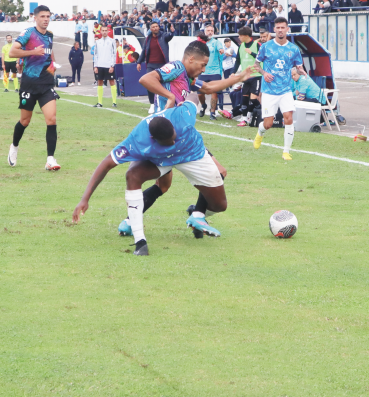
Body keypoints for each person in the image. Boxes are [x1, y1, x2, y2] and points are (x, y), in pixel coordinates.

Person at [71, 52, 257, 256]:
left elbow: (206, 88)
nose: (204, 69)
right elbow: (145, 78)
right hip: (160, 139)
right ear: (191, 59)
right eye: (203, 64)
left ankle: (195, 214)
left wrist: (238, 77)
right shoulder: (176, 68)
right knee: (141, 178)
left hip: (184, 139)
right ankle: (139, 229)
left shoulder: (189, 87)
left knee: (211, 179)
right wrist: (169, 96)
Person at [7, 5, 62, 171]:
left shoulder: (50, 36)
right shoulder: (28, 33)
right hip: (29, 85)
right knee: (25, 121)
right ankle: (14, 147)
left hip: (46, 84)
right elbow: (12, 52)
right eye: (43, 16)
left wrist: (53, 66)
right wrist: (32, 52)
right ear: (35, 18)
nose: (46, 19)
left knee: (51, 119)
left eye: (48, 16)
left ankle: (50, 159)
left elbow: (49, 54)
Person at [253, 17, 303, 161]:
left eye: (283, 27)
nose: (280, 30)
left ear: (287, 29)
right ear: (274, 30)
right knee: (268, 123)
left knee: (288, 118)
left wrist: (301, 71)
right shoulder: (266, 46)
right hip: (269, 90)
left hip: (286, 89)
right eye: (278, 28)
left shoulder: (294, 49)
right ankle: (260, 133)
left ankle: (286, 152)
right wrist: (264, 73)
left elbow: (298, 67)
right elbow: (256, 64)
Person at [136, 21, 174, 110]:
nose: (156, 28)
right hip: (151, 65)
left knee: (163, 85)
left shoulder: (163, 36)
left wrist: (172, 32)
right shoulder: (148, 38)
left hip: (162, 65)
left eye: (157, 26)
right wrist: (139, 62)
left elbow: (170, 36)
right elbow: (144, 51)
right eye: (153, 27)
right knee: (149, 83)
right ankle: (152, 103)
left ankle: (164, 103)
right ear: (150, 29)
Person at [235, 26, 263, 127]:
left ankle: (261, 113)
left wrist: (252, 53)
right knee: (244, 98)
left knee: (253, 99)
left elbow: (262, 57)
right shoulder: (241, 46)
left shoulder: (257, 44)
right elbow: (238, 60)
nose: (239, 37)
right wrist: (234, 72)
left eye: (240, 35)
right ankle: (244, 119)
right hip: (245, 76)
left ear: (246, 36)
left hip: (256, 75)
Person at [197, 24, 225, 118]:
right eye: (208, 30)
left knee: (214, 92)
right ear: (204, 32)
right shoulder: (201, 43)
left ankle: (212, 113)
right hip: (203, 71)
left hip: (215, 71)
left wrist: (221, 50)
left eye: (211, 31)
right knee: (200, 93)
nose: (210, 32)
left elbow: (220, 48)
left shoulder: (216, 42)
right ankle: (203, 105)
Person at [92, 27, 118, 108]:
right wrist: (95, 66)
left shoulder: (112, 41)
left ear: (108, 31)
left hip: (108, 65)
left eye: (105, 30)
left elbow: (114, 54)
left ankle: (114, 102)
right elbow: (95, 54)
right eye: (102, 31)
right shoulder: (97, 42)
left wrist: (112, 65)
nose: (104, 32)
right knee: (99, 82)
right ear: (100, 31)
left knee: (112, 82)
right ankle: (100, 102)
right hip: (100, 65)